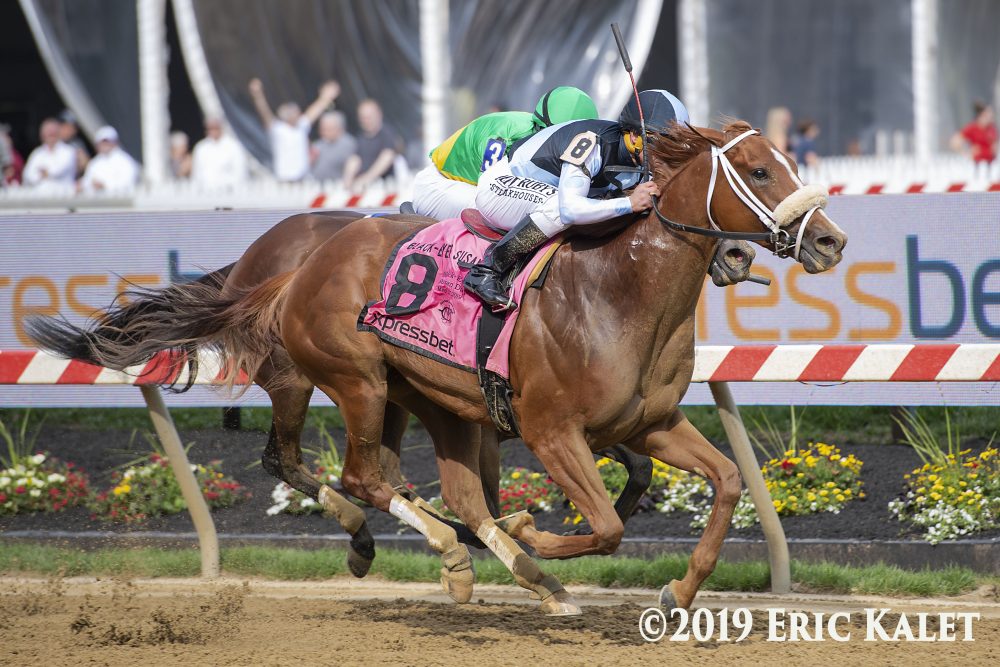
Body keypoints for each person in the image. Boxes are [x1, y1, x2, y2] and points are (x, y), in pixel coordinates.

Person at [465, 89, 685, 308]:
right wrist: (629, 203)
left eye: (673, 144)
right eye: (659, 141)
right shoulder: (592, 143)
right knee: (560, 208)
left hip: (539, 194)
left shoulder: (640, 161)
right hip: (501, 186)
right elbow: (570, 209)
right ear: (634, 135)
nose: (665, 152)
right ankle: (487, 270)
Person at [412, 86, 599, 219]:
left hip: (471, 188)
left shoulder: (539, 131)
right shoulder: (506, 137)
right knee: (506, 212)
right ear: (543, 128)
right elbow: (491, 195)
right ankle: (487, 272)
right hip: (439, 184)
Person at [248, 78, 340, 181]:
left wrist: (325, 97)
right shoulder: (278, 129)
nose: (298, 115)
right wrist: (258, 95)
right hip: (285, 180)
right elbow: (264, 112)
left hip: (303, 179)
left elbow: (314, 111)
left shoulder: (301, 127)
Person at [343, 99, 402, 191]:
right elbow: (355, 159)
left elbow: (387, 157)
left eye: (369, 117)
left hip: (385, 187)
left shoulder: (387, 134)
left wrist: (366, 179)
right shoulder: (361, 137)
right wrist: (348, 180)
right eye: (363, 117)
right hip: (364, 187)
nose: (366, 121)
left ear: (379, 115)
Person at [78, 125, 140, 194]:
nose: (104, 145)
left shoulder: (125, 161)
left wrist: (105, 185)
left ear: (115, 142)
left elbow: (129, 183)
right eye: (102, 142)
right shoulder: (95, 162)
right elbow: (87, 180)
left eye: (107, 142)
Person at [190, 116, 248, 188]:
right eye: (209, 128)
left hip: (229, 192)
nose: (212, 131)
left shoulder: (234, 146)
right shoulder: (201, 147)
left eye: (215, 127)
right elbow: (196, 173)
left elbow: (240, 173)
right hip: (205, 192)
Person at [22, 118, 77, 191]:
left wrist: (45, 173)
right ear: (42, 135)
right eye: (48, 132)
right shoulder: (37, 153)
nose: (50, 135)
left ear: (58, 133)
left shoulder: (68, 151)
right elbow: (28, 174)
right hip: (40, 195)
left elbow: (58, 171)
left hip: (63, 196)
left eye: (53, 132)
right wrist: (43, 174)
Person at [310, 111, 356, 182]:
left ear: (339, 128)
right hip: (315, 184)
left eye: (329, 129)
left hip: (337, 186)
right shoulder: (318, 145)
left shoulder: (348, 144)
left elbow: (351, 164)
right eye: (323, 129)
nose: (324, 132)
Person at [951, 100, 997, 164]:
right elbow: (955, 141)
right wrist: (966, 152)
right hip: (976, 164)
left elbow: (995, 146)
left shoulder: (992, 129)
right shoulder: (972, 128)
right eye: (988, 113)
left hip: (990, 164)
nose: (991, 116)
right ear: (982, 115)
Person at [58, 109, 90, 177]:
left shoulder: (76, 145)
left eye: (72, 128)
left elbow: (86, 164)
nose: (69, 131)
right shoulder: (52, 141)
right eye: (65, 126)